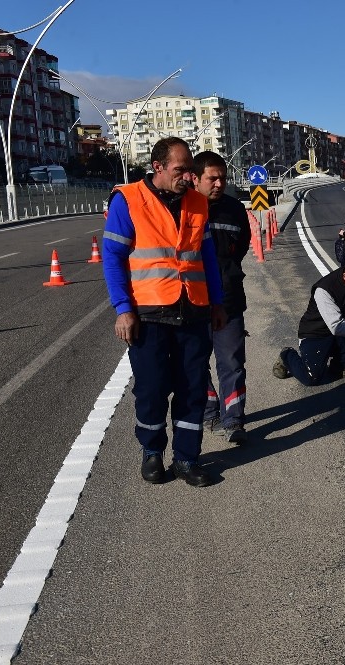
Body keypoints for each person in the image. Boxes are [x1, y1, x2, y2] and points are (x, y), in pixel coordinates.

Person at [102, 137, 226, 487]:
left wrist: (217, 303)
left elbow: (207, 258)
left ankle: (187, 458)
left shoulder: (198, 202)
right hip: (149, 313)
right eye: (180, 170)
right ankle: (152, 452)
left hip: (194, 310)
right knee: (152, 389)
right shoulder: (128, 199)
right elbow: (112, 257)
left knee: (193, 389)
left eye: (190, 170)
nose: (188, 176)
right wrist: (123, 309)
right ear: (158, 167)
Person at [193, 151, 251, 446]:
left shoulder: (234, 209)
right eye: (212, 178)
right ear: (195, 178)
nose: (219, 184)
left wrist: (226, 273)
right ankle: (209, 413)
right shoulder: (184, 207)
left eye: (223, 178)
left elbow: (241, 246)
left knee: (232, 362)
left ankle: (234, 420)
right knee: (194, 363)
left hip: (228, 299)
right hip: (192, 302)